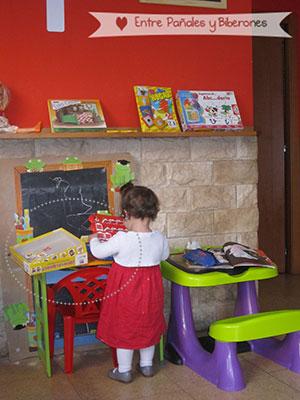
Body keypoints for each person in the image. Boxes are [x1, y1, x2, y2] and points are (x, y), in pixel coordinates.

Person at [89, 183, 169, 383]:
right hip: (151, 293)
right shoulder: (159, 237)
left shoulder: (121, 238)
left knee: (123, 326)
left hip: (125, 292)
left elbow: (98, 252)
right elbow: (164, 255)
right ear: (153, 213)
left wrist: (94, 239)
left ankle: (124, 370)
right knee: (148, 324)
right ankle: (146, 365)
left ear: (126, 214)